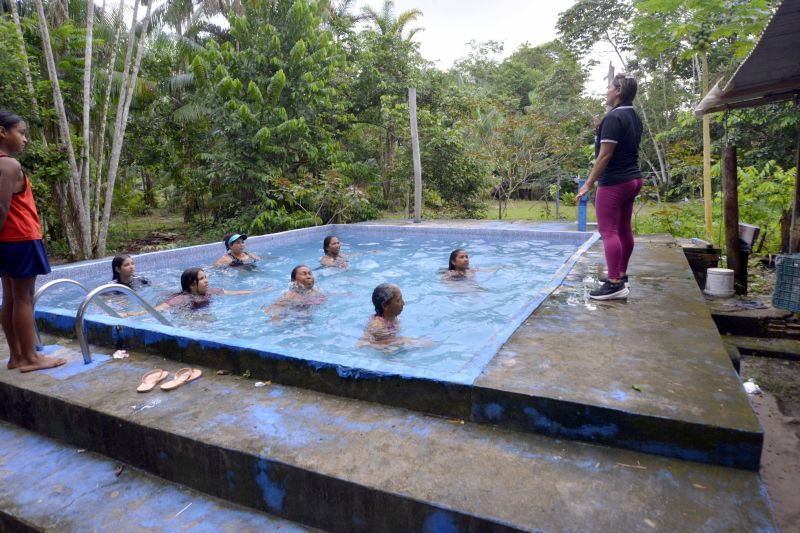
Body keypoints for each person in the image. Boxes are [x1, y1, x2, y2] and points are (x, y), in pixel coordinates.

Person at [0, 111, 66, 372]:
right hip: (20, 237)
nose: (25, 139)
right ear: (2, 132)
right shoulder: (9, 165)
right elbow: (2, 207)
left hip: (7, 241)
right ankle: (30, 358)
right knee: (24, 298)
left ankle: (16, 356)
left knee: (11, 298)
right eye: (21, 132)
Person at [576, 73, 643, 300]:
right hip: (633, 180)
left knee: (608, 231)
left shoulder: (614, 117)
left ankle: (614, 284)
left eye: (609, 87)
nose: (606, 91)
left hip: (615, 182)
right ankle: (621, 275)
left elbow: (604, 156)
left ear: (618, 91)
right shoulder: (634, 116)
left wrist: (587, 184)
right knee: (623, 229)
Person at [142, 267, 262, 313]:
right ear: (192, 285)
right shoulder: (182, 299)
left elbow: (236, 293)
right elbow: (157, 310)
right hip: (185, 312)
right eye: (201, 279)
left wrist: (261, 290)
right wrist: (133, 314)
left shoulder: (210, 292)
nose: (206, 281)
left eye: (205, 277)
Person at [361, 283, 429, 347]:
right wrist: (400, 341)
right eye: (398, 300)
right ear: (385, 306)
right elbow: (362, 344)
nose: (403, 303)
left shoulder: (393, 317)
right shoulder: (377, 325)